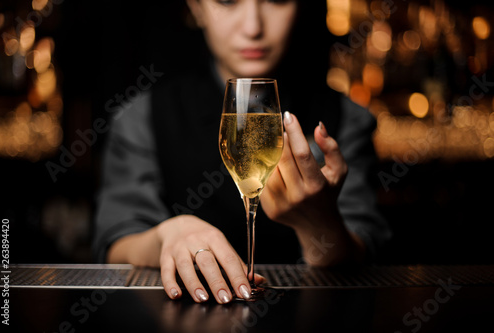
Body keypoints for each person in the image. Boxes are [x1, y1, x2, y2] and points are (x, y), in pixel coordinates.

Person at [93, 0, 391, 304]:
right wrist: (165, 237)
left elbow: (366, 252)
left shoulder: (347, 118)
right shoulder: (143, 117)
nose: (253, 27)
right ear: (196, 7)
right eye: (227, 1)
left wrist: (320, 227)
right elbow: (116, 240)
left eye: (275, 0)